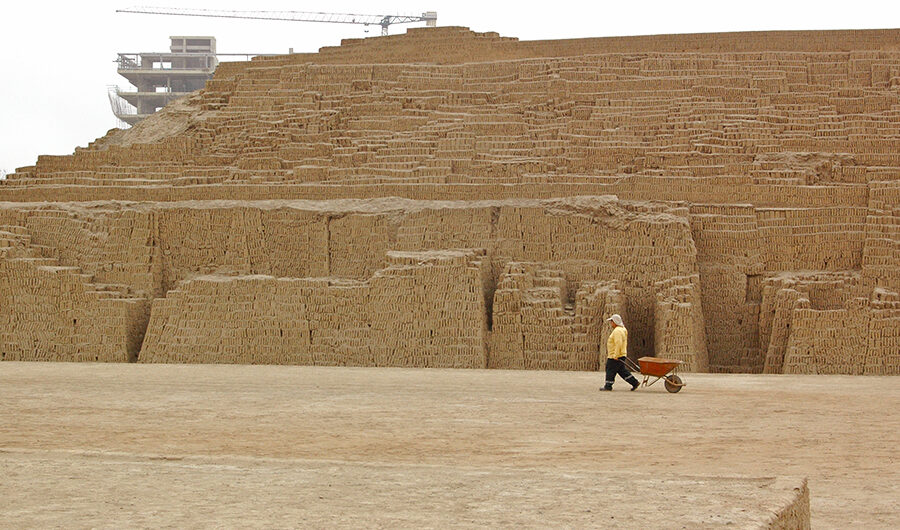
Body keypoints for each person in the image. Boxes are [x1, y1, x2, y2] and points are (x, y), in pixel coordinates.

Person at [601, 314, 639, 391]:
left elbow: (618, 343)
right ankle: (634, 382)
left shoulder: (617, 331)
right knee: (621, 370)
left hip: (615, 355)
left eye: (611, 322)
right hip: (621, 354)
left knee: (610, 369)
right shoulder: (623, 329)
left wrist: (616, 355)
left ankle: (608, 386)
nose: (611, 323)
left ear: (615, 322)